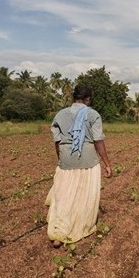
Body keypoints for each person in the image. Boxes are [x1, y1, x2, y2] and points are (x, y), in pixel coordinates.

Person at [45, 84, 112, 248]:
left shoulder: (60, 115)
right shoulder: (93, 114)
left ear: (74, 97)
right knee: (83, 195)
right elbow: (98, 141)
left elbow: (57, 142)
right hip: (88, 160)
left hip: (66, 158)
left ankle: (58, 231)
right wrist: (107, 163)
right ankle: (78, 226)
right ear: (88, 99)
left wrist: (61, 159)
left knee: (64, 195)